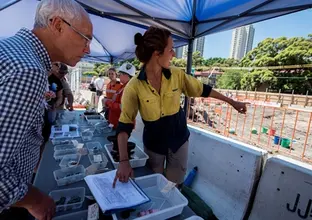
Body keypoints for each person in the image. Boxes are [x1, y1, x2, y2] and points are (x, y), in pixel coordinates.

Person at [113, 26, 247, 188]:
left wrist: (232, 102)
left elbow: (202, 89)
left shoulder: (177, 74)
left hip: (179, 139)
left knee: (175, 184)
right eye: (171, 50)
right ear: (157, 53)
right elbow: (124, 125)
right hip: (154, 143)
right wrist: (124, 161)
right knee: (154, 182)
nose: (174, 54)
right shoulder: (134, 87)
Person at [0, 0, 92, 220]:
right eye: (85, 38)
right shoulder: (28, 71)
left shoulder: (13, 50)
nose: (88, 49)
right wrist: (35, 200)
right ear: (57, 24)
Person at [105, 63, 136, 129]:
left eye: (120, 74)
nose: (119, 76)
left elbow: (122, 107)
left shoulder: (128, 89)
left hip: (122, 125)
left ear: (125, 75)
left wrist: (107, 102)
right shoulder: (123, 87)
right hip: (117, 123)